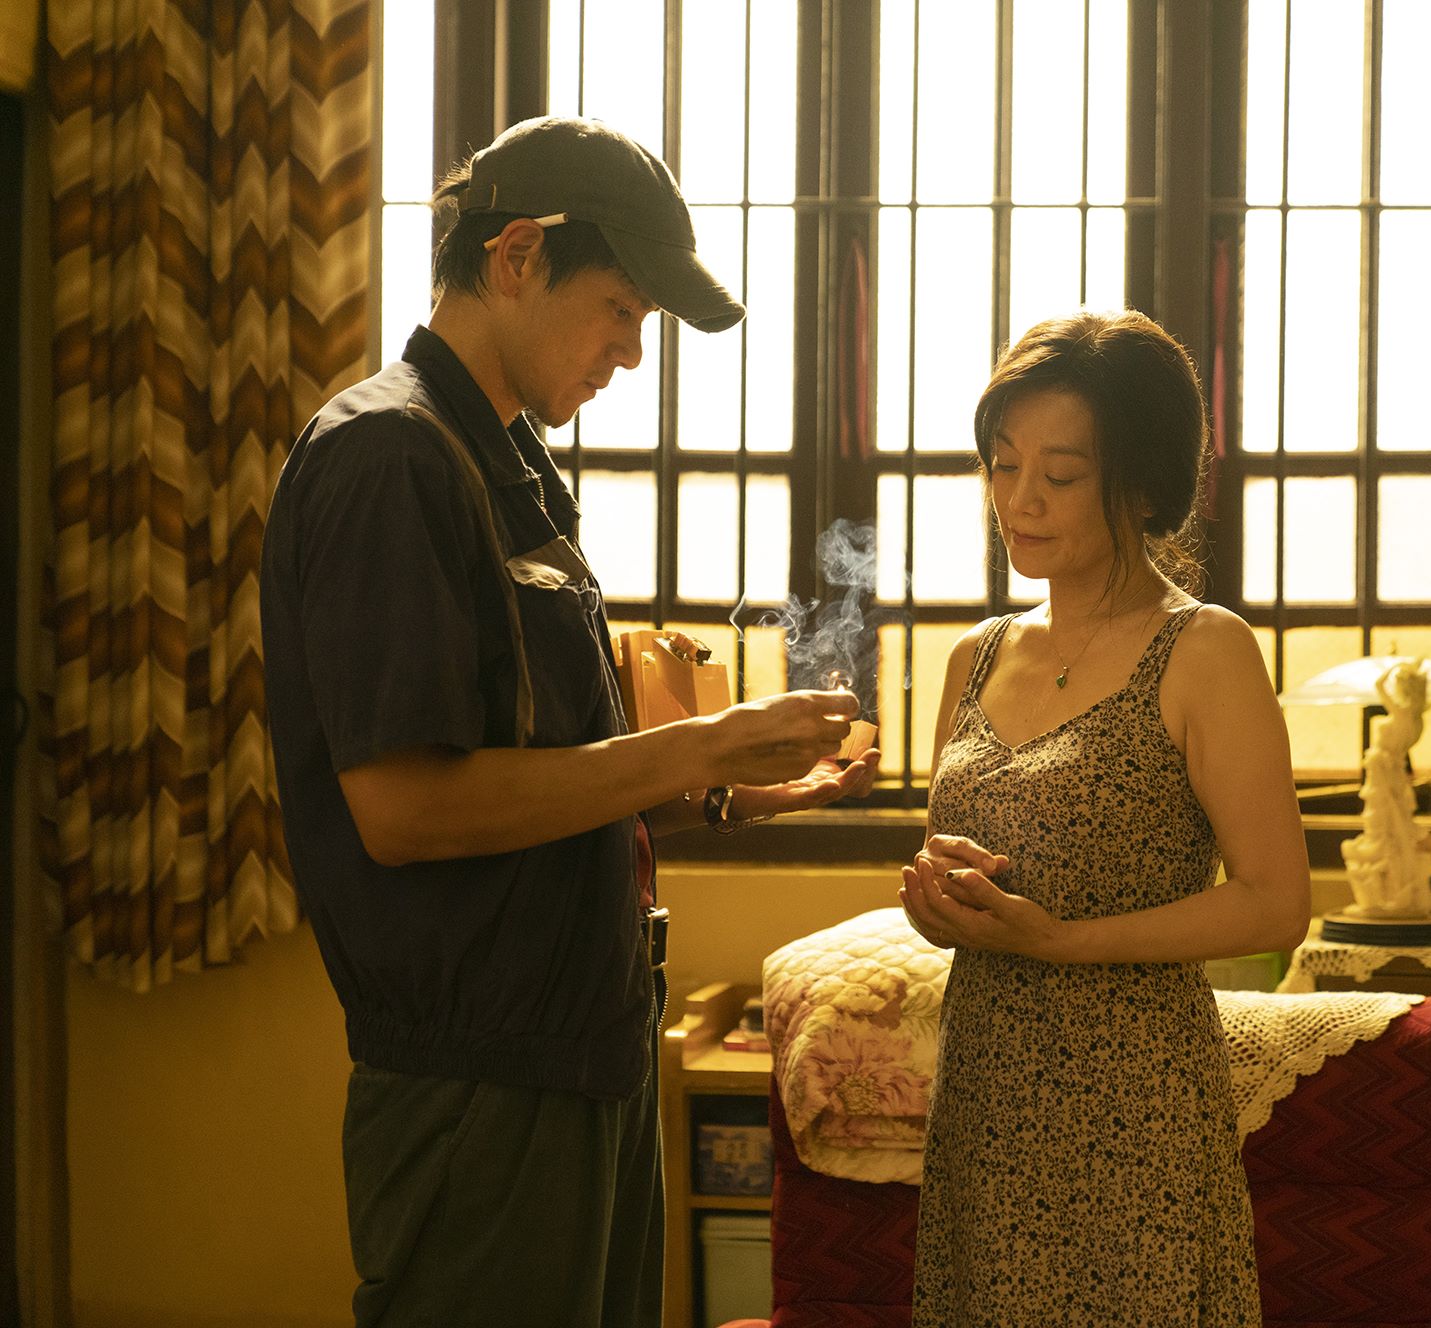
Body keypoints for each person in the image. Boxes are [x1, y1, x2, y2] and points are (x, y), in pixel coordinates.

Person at [260, 116, 878, 1328]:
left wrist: (718, 790)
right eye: (620, 310)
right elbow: (404, 810)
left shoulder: (504, 459)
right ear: (515, 257)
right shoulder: (389, 454)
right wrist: (698, 742)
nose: (631, 353)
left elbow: (540, 766)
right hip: (482, 1074)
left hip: (582, 1039)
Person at [897, 310, 1312, 1325]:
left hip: (1134, 1105)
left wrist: (1064, 942)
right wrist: (936, 900)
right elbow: (959, 860)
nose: (1019, 499)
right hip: (985, 1093)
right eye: (1003, 465)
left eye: (1061, 473)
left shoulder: (1203, 649)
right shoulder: (976, 655)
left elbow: (1274, 903)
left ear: (1139, 484)